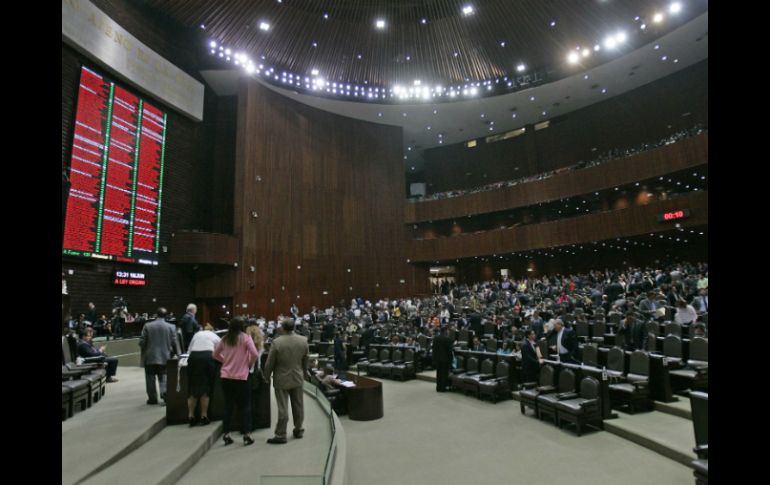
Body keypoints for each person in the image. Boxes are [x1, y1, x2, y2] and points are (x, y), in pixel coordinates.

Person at [264, 318, 310, 444]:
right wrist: (304, 374)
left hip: (281, 378)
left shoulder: (277, 342)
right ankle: (299, 429)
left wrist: (266, 376)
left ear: (283, 328)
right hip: (297, 377)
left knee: (283, 408)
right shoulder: (303, 340)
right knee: (298, 405)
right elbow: (306, 360)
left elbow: (270, 362)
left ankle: (281, 434)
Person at [214, 317, 259, 446]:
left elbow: (215, 355)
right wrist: (248, 365)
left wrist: (225, 362)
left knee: (228, 406)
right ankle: (247, 434)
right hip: (242, 377)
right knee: (245, 406)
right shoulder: (245, 338)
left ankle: (226, 434)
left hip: (226, 377)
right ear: (242, 326)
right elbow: (255, 354)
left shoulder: (225, 338)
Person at [139, 307, 179, 405]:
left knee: (150, 379)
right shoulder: (171, 327)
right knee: (164, 378)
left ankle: (152, 399)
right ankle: (165, 397)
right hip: (165, 357)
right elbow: (175, 343)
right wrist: (177, 354)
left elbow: (142, 342)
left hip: (150, 357)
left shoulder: (147, 326)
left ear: (156, 314)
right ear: (166, 316)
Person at [187, 323, 221, 426]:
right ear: (212, 330)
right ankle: (204, 415)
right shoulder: (215, 336)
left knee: (193, 388)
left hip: (194, 357)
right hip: (207, 357)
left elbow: (189, 350)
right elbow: (220, 351)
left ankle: (191, 415)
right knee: (206, 388)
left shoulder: (197, 334)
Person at [432, 326, 454, 392]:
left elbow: (434, 349)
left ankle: (438, 387)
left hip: (437, 359)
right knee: (444, 374)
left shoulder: (435, 338)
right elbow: (449, 351)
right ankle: (443, 388)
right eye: (448, 330)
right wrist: (451, 359)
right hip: (445, 360)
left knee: (438, 373)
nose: (448, 332)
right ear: (445, 331)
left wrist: (434, 359)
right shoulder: (447, 339)